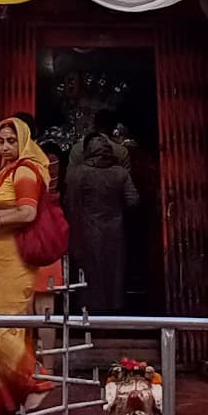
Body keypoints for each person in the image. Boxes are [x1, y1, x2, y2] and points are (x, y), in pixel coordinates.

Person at [0, 115, 56, 415]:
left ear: (24, 142)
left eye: (12, 141)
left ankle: (38, 382)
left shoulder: (24, 171)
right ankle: (5, 397)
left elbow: (27, 213)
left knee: (0, 328)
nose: (6, 146)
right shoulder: (2, 171)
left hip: (12, 258)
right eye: (1, 141)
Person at [67, 131, 139, 316]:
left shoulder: (77, 173)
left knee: (88, 273)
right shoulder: (120, 173)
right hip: (115, 230)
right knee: (113, 273)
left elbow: (69, 203)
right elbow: (133, 201)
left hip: (84, 230)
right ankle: (113, 313)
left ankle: (87, 312)